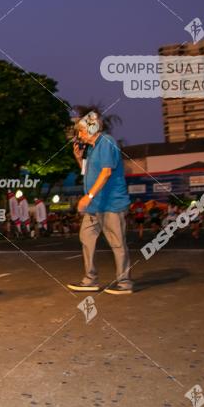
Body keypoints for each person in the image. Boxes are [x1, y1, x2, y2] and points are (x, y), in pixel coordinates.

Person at [67, 111, 134, 295]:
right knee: (86, 238)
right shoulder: (92, 147)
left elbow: (106, 173)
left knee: (117, 243)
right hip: (95, 206)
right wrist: (79, 158)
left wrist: (87, 197)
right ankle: (90, 280)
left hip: (111, 204)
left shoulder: (107, 142)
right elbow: (87, 172)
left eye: (80, 131)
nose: (79, 135)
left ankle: (124, 283)